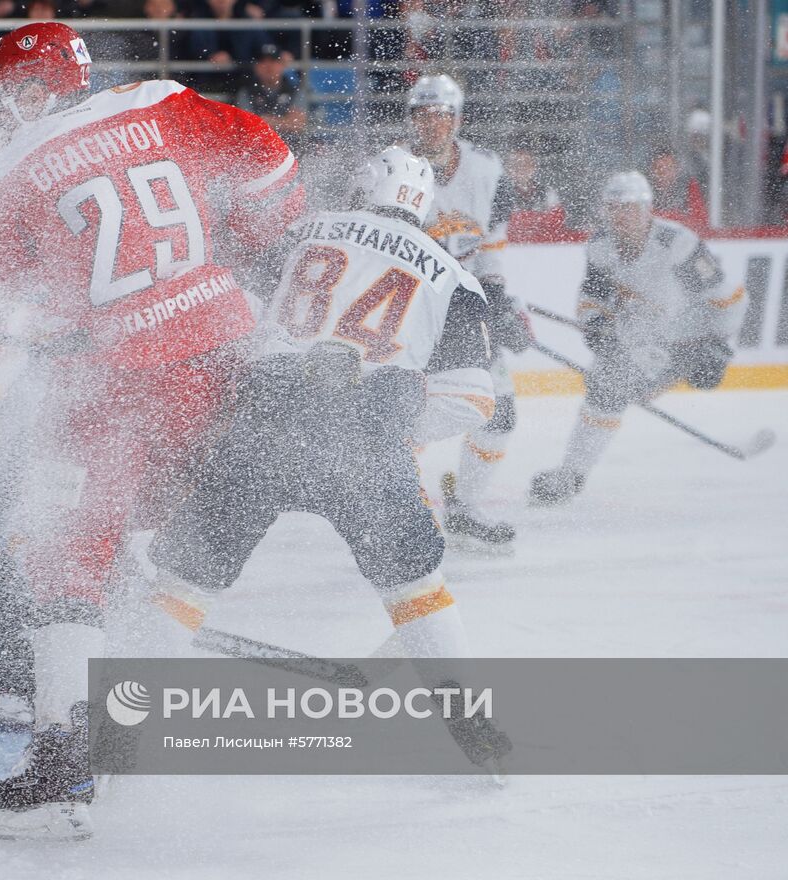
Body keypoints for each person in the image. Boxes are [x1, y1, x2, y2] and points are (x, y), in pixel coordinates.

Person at [0, 20, 304, 841]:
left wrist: (7, 316)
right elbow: (276, 172)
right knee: (150, 539)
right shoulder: (160, 102)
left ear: (35, 89)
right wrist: (240, 243)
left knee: (66, 553)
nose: (0, 112)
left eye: (7, 94)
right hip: (224, 361)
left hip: (121, 383)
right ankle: (136, 709)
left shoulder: (3, 172)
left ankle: (64, 764)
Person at [145, 145, 508, 776]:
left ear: (363, 185)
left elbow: (228, 313)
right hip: (365, 447)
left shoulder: (302, 231)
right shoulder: (455, 277)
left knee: (184, 584)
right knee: (414, 585)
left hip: (264, 427)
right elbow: (474, 399)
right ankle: (470, 724)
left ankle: (113, 731)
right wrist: (398, 431)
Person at [528, 172, 744, 505]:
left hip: (689, 339)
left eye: (630, 208)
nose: (622, 216)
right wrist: (596, 325)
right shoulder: (601, 246)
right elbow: (592, 296)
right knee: (605, 390)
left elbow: (728, 298)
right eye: (614, 208)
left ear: (647, 209)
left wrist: (720, 347)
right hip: (642, 337)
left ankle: (571, 476)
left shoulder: (676, 244)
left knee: (607, 390)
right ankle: (570, 476)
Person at [404, 73, 531, 553]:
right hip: (410, 310)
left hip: (464, 306)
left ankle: (465, 509)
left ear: (457, 119)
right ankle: (392, 513)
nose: (433, 124)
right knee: (400, 415)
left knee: (499, 411)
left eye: (442, 115)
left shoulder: (487, 169)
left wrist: (497, 299)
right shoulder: (393, 168)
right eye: (424, 114)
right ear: (411, 118)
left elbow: (491, 244)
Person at [234, 43, 307, 154]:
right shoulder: (246, 92)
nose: (268, 66)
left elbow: (298, 124)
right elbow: (246, 126)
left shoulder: (295, 90)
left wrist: (266, 121)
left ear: (282, 65)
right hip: (257, 150)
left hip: (291, 149)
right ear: (256, 66)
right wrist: (283, 122)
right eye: (263, 61)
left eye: (273, 61)